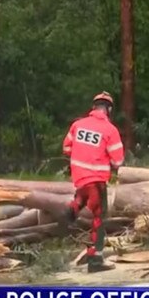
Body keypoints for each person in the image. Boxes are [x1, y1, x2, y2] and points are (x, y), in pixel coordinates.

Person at [62, 91, 124, 273]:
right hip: (97, 180)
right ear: (109, 109)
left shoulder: (77, 125)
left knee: (81, 200)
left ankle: (71, 210)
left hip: (80, 178)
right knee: (99, 218)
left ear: (94, 107)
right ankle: (95, 260)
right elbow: (118, 161)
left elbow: (66, 148)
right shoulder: (110, 130)